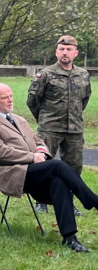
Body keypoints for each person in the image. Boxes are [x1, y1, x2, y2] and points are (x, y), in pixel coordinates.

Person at [0, 83, 96, 253]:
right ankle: (92, 200)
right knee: (56, 165)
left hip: (32, 171)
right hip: (9, 173)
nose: (10, 100)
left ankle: (70, 238)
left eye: (11, 96)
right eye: (5, 98)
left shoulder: (18, 119)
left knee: (58, 182)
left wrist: (41, 152)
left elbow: (38, 141)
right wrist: (32, 157)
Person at [27, 35, 92, 214]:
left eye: (69, 49)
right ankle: (42, 200)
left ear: (76, 53)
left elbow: (84, 99)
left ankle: (68, 201)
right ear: (56, 52)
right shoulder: (46, 74)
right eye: (61, 49)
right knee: (43, 164)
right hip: (49, 129)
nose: (65, 52)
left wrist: (74, 117)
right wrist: (44, 119)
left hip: (74, 130)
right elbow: (33, 100)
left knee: (73, 168)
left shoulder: (83, 74)